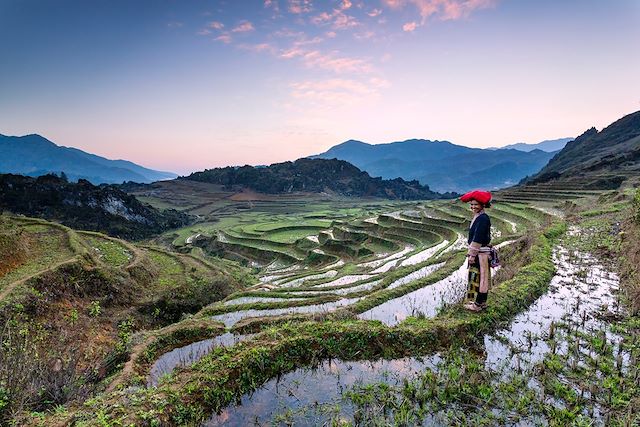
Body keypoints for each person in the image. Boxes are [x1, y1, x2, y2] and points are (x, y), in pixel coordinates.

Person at [460, 190, 492, 312]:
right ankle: (482, 302)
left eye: (476, 204)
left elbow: (477, 238)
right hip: (481, 253)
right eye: (471, 204)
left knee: (480, 278)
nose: (473, 207)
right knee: (482, 277)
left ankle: (477, 305)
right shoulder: (479, 217)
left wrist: (472, 255)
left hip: (480, 254)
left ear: (482, 205)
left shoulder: (482, 219)